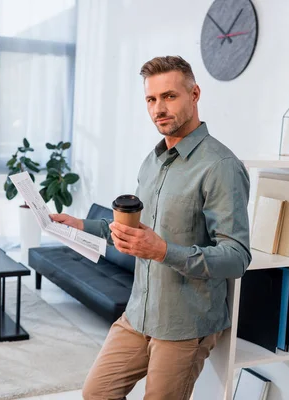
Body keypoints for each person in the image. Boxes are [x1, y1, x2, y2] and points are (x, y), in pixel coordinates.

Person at [50, 55, 252, 400]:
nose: (159, 107)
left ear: (195, 94)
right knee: (95, 393)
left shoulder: (221, 167)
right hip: (138, 314)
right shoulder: (153, 161)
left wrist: (162, 251)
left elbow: (236, 257)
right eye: (151, 99)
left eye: (169, 96)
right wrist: (79, 224)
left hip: (184, 326)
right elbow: (133, 231)